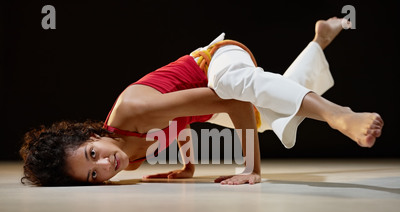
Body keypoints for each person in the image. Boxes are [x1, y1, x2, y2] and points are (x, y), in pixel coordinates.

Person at [19, 17, 383, 186]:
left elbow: (234, 103)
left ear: (88, 135)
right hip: (217, 99)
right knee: (272, 116)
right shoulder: (128, 163)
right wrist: (187, 168)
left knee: (235, 85)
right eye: (94, 175)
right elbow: (179, 127)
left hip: (216, 60)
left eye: (92, 155)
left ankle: (339, 116)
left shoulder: (135, 108)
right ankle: (319, 41)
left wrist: (250, 169)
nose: (105, 165)